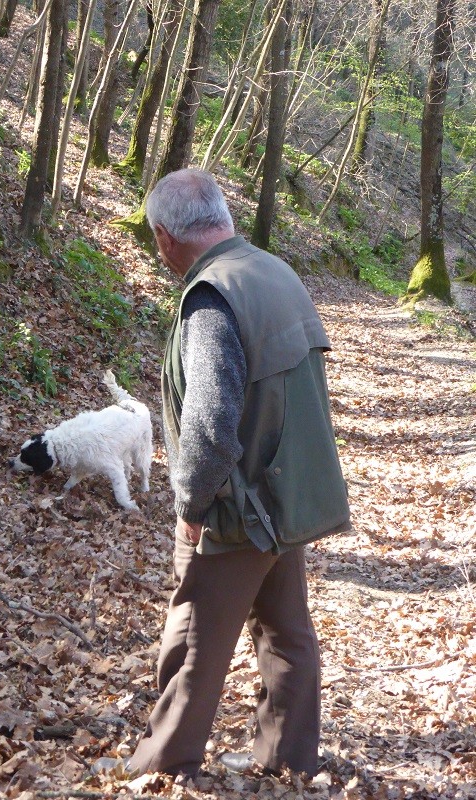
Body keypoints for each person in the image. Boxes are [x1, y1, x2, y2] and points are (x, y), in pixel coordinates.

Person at [97, 168, 352, 781]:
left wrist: (191, 504)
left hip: (238, 507)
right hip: (286, 494)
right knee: (287, 632)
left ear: (164, 236)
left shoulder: (212, 296)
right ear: (222, 216)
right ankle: (286, 759)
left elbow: (210, 423)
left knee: (192, 643)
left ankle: (163, 763)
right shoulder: (274, 271)